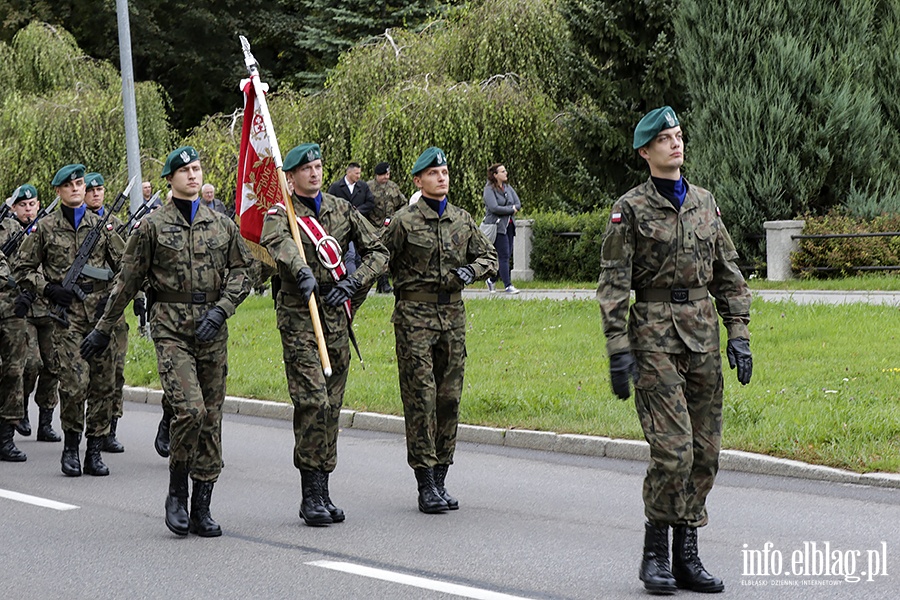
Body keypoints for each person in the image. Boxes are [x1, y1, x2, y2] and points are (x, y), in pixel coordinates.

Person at [596, 106, 752, 595]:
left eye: (679, 135)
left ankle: (688, 554)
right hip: (654, 339)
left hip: (703, 337)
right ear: (645, 152)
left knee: (705, 453)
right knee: (673, 452)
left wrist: (739, 332)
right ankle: (654, 553)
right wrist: (619, 348)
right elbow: (613, 284)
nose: (675, 144)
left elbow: (728, 272)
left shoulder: (705, 203)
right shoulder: (631, 209)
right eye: (664, 138)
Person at [81, 146, 253, 537]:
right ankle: (177, 489)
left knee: (211, 418)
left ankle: (202, 506)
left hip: (213, 328)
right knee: (190, 411)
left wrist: (222, 309)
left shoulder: (221, 224)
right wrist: (103, 328)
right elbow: (125, 282)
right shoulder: (152, 227)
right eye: (185, 170)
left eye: (197, 168)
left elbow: (244, 272)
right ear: (170, 179)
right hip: (171, 329)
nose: (193, 175)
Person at [260, 143, 388, 527]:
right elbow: (279, 245)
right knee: (312, 402)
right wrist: (300, 271)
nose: (314, 173)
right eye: (306, 169)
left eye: (318, 167)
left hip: (334, 319)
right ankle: (308, 494)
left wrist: (353, 284)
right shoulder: (280, 213)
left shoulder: (341, 209)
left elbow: (378, 252)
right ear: (292, 176)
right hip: (301, 319)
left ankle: (324, 490)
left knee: (331, 407)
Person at [383, 147, 498, 514]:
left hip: (453, 317)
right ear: (418, 181)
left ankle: (442, 476)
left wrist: (473, 271)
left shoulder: (462, 219)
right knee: (422, 397)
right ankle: (425, 481)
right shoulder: (403, 221)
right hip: (415, 316)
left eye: (445, 171)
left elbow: (490, 256)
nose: (442, 177)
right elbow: (380, 259)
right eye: (433, 173)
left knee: (449, 398)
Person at [15, 164, 125, 477]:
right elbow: (22, 268)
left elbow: (126, 267)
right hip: (67, 322)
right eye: (71, 185)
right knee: (75, 386)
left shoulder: (102, 226)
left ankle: (94, 450)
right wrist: (48, 288)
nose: (78, 189)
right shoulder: (45, 228)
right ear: (59, 191)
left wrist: (111, 297)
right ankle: (71, 448)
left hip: (101, 320)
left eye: (81, 183)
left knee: (103, 386)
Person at [11, 185, 62, 444]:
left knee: (53, 365)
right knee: (31, 365)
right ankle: (19, 411)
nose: (28, 209)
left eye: (32, 205)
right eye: (23, 205)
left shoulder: (47, 229)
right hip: (23, 310)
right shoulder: (7, 232)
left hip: (49, 307)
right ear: (14, 208)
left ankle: (45, 421)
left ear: (39, 205)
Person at [83, 173, 127, 453]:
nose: (97, 194)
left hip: (112, 309)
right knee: (85, 376)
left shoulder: (116, 225)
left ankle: (110, 427)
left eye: (100, 189)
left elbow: (127, 264)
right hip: (81, 308)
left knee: (116, 371)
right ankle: (84, 429)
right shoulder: (78, 225)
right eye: (92, 190)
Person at [0, 203, 26, 461]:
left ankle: (6, 437)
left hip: (10, 308)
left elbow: (27, 263)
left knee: (14, 370)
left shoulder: (12, 227)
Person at [327, 162, 375, 274]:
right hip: (342, 226)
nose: (359, 176)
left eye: (359, 173)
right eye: (356, 173)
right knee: (349, 255)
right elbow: (329, 205)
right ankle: (350, 280)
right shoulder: (336, 187)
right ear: (348, 172)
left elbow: (370, 203)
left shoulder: (363, 186)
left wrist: (357, 211)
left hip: (359, 225)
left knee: (359, 255)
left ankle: (359, 280)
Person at [366, 162, 407, 294]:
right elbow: (364, 206)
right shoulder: (369, 187)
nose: (386, 177)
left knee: (389, 253)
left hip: (390, 227)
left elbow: (403, 204)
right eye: (383, 174)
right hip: (374, 227)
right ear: (377, 175)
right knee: (378, 254)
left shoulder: (393, 187)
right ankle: (381, 282)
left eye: (388, 174)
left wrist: (397, 218)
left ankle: (384, 283)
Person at [483, 163, 522, 294]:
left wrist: (510, 209)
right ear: (495, 175)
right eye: (502, 171)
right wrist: (511, 210)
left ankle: (492, 280)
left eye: (505, 171)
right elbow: (494, 208)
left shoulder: (508, 187)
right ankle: (508, 285)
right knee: (503, 255)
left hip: (509, 225)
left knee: (506, 255)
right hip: (497, 226)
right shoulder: (489, 189)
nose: (506, 173)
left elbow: (518, 203)